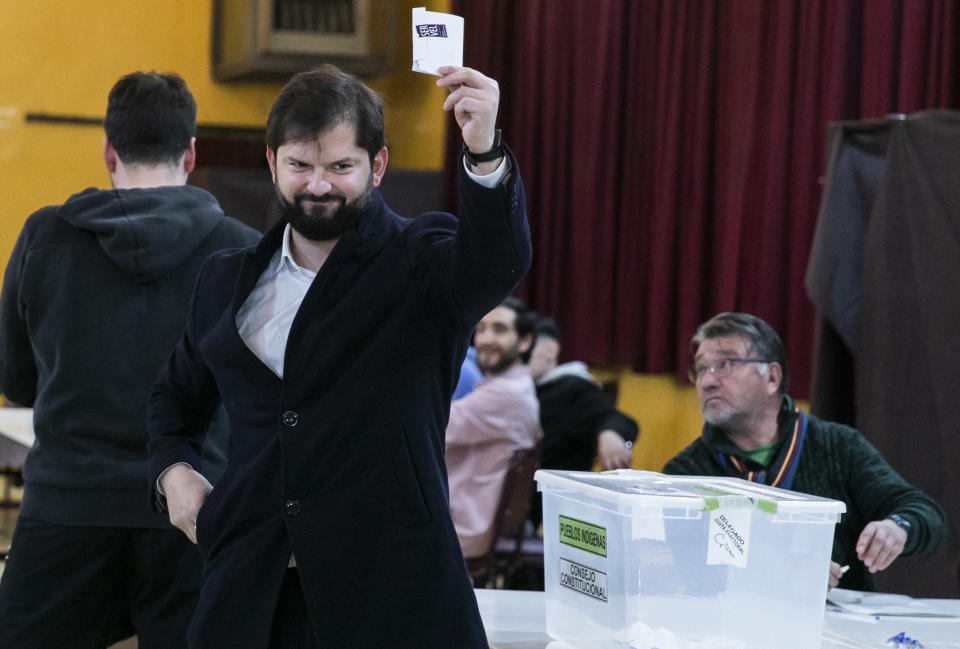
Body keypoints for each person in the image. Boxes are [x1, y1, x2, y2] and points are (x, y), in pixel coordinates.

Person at [147, 64, 530, 648]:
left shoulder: (421, 260)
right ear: (272, 163)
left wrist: (484, 151)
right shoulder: (224, 280)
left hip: (392, 592)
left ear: (376, 166)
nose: (318, 185)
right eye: (300, 165)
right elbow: (175, 396)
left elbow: (495, 264)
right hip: (251, 589)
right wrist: (173, 473)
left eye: (339, 167)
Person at [0, 71, 260, 649]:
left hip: (68, 501)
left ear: (107, 151)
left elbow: (15, 379)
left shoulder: (44, 236)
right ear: (191, 152)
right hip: (194, 506)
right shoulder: (241, 248)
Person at [663, 312, 945, 592]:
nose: (707, 381)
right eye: (701, 369)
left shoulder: (837, 446)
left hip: (838, 629)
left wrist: (898, 528)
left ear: (772, 377)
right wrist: (784, 576)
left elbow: (923, 512)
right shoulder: (684, 473)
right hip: (730, 630)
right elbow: (694, 575)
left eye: (724, 364)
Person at [446, 297, 542, 559]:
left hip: (462, 529)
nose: (486, 339)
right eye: (481, 329)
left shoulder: (507, 394)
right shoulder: (510, 388)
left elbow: (430, 430)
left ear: (525, 341)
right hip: (461, 520)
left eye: (499, 329)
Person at [528, 315, 637, 472]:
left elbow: (613, 418)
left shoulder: (572, 389)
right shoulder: (514, 388)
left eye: (528, 345)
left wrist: (610, 433)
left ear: (551, 350)